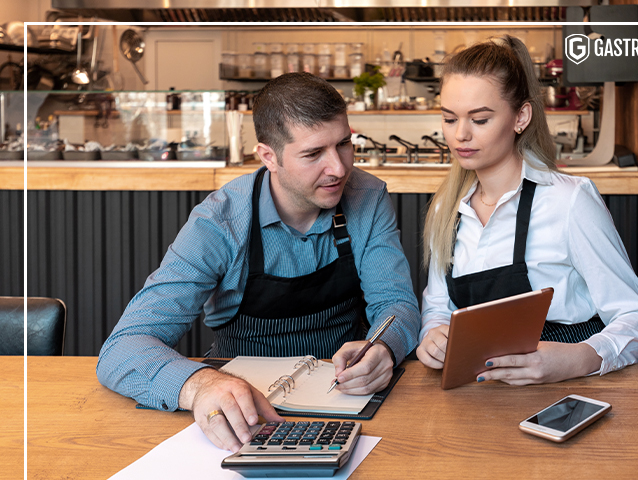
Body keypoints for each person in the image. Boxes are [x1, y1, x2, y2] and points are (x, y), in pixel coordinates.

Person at [97, 72, 421, 452]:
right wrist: (201, 385)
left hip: (348, 403)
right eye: (314, 154)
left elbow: (397, 304)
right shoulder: (219, 222)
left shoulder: (368, 197)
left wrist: (384, 348)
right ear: (269, 156)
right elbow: (123, 347)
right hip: (242, 417)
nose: (338, 168)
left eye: (344, 144)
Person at [417, 36, 638, 385]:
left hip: (566, 390)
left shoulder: (569, 201)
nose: (461, 135)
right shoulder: (447, 208)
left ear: (521, 117)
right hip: (479, 395)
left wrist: (577, 359)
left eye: (480, 119)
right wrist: (434, 334)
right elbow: (439, 305)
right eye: (450, 119)